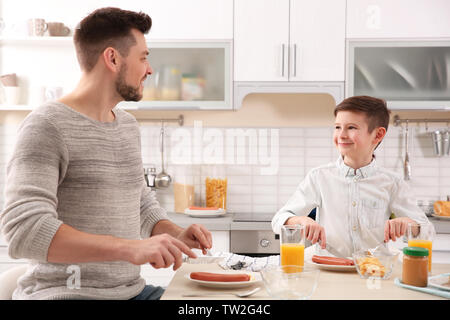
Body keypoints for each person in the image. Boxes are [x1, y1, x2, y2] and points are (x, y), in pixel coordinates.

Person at [0, 7, 212, 300]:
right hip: (67, 294)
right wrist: (131, 248)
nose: (149, 70)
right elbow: (25, 230)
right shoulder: (46, 125)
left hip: (132, 292)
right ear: (112, 58)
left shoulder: (126, 126)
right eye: (143, 57)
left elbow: (140, 203)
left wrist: (174, 234)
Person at [272, 95, 431, 257]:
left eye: (351, 128)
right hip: (328, 270)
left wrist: (410, 225)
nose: (341, 135)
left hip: (373, 273)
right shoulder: (319, 177)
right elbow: (279, 219)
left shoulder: (392, 183)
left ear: (377, 135)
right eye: (337, 127)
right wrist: (300, 221)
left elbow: (427, 229)